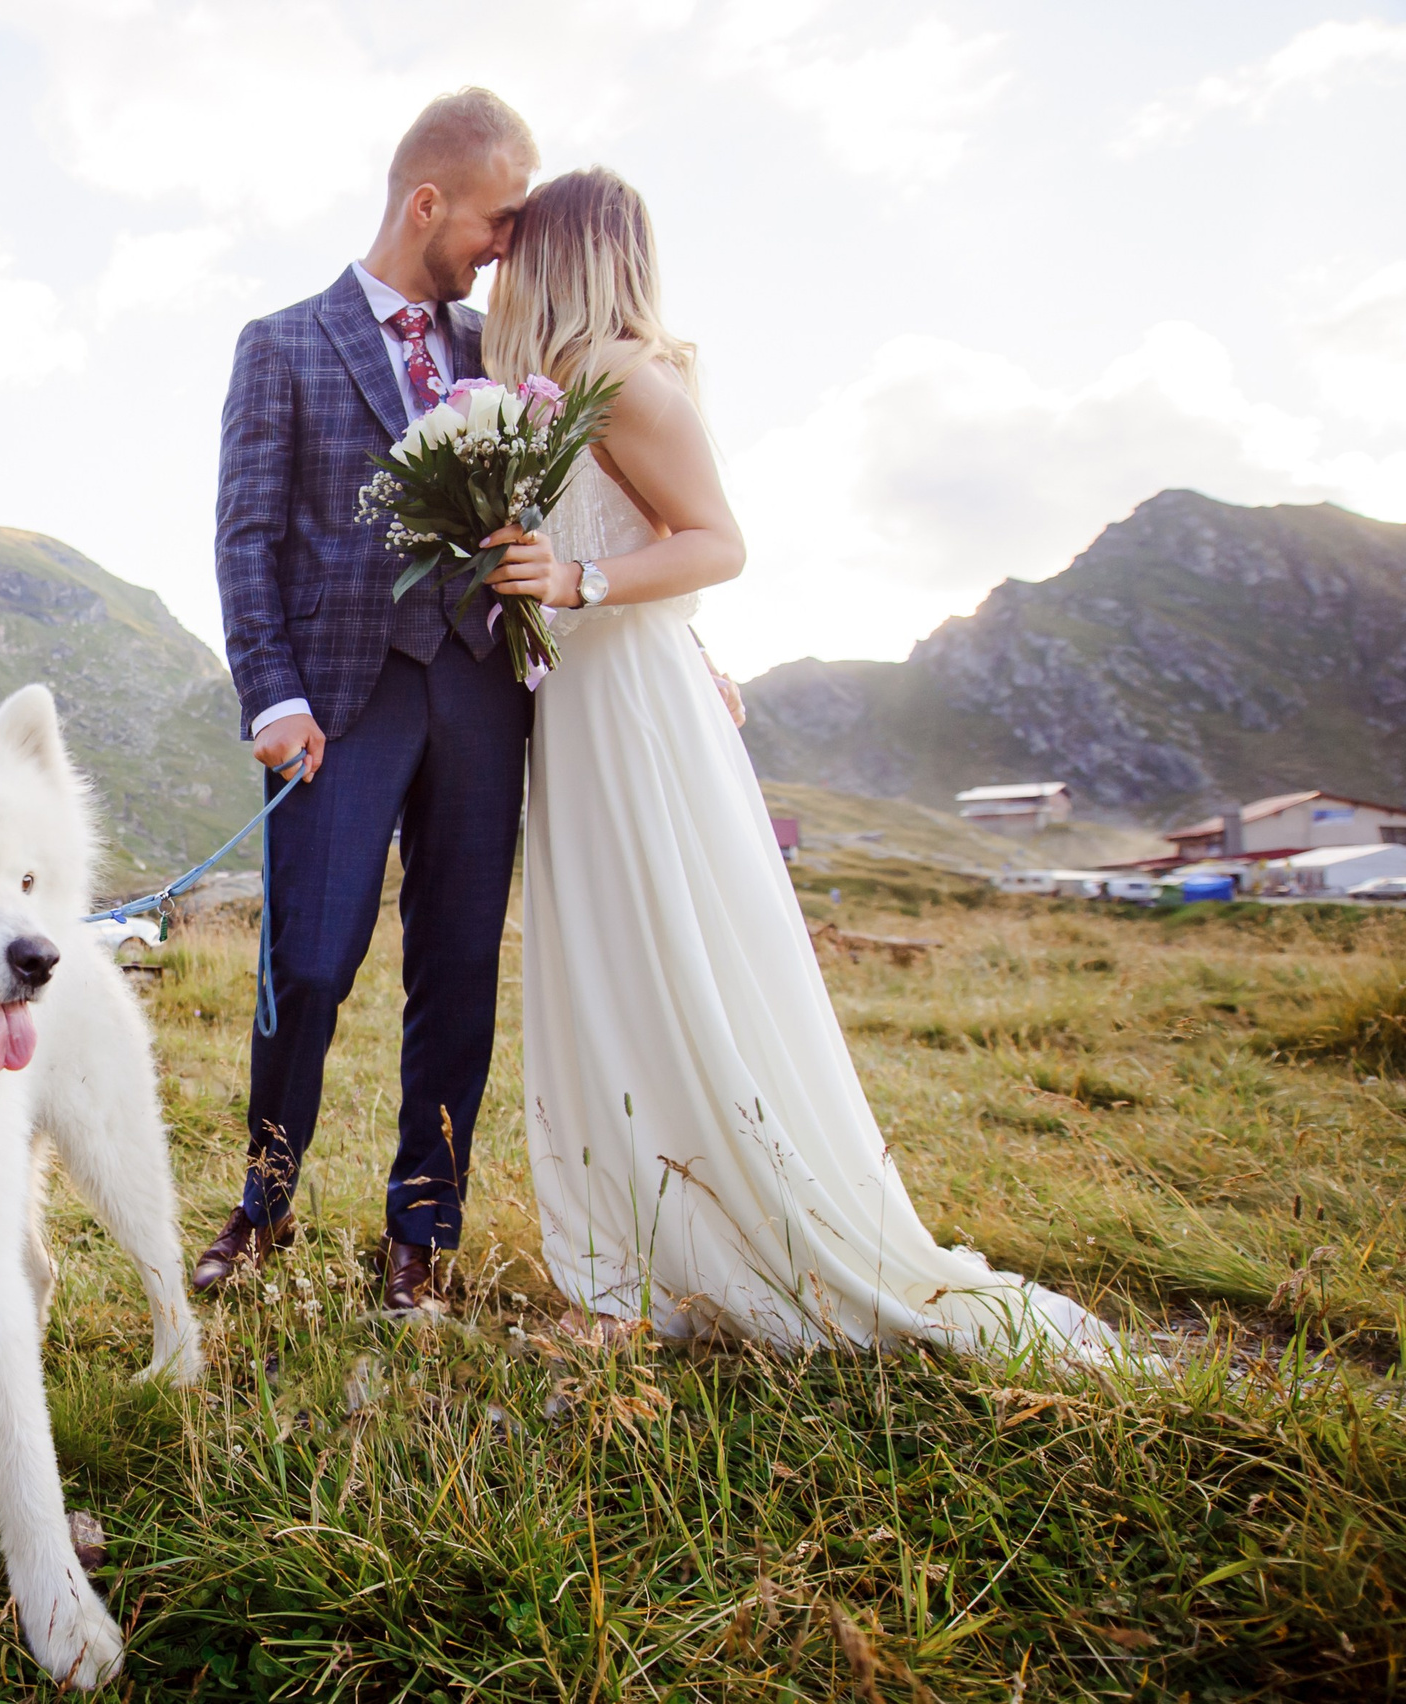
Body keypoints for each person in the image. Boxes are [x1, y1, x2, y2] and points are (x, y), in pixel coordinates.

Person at [478, 168, 1111, 1355]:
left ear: (562, 252)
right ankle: (633, 1263)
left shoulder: (623, 374)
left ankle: (682, 1255)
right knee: (607, 967)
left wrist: (574, 580)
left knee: (660, 957)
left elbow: (718, 542)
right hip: (584, 700)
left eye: (518, 245)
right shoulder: (553, 387)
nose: (500, 265)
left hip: (627, 700)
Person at [203, 89, 537, 1314]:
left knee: (457, 968)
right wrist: (272, 697)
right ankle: (265, 1203)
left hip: (481, 694)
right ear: (427, 203)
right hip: (337, 704)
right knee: (309, 960)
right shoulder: (282, 344)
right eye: (497, 220)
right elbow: (246, 538)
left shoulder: (503, 351)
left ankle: (422, 1233)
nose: (505, 246)